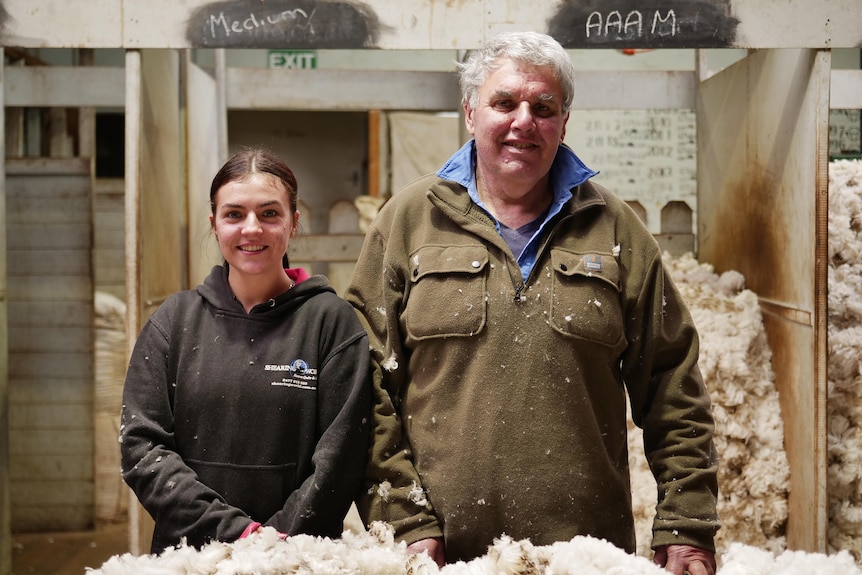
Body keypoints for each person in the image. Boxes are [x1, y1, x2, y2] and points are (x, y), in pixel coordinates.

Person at [344, 31, 720, 575]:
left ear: (564, 121)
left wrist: (686, 524)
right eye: (504, 103)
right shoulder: (407, 222)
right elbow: (366, 385)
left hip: (588, 558)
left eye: (544, 107)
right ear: (471, 112)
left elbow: (673, 386)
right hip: (440, 559)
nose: (524, 121)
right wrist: (403, 519)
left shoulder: (615, 230)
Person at [120, 147, 372, 554]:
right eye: (234, 214)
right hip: (192, 558)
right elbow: (142, 448)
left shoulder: (331, 323)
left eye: (269, 213)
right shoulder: (174, 322)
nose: (251, 228)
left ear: (293, 223)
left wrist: (275, 546)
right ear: (215, 225)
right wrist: (235, 533)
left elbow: (340, 460)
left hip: (298, 558)